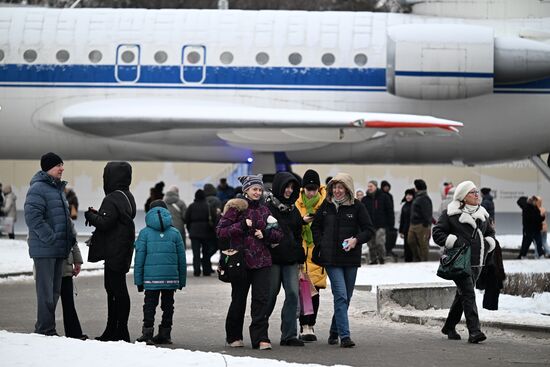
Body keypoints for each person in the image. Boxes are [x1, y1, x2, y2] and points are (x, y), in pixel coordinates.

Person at [216, 174, 283, 350]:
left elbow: (278, 234)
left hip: (262, 261)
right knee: (238, 300)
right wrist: (242, 226)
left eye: (260, 189)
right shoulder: (235, 208)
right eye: (254, 189)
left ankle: (261, 338)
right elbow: (221, 231)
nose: (258, 192)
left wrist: (266, 234)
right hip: (240, 261)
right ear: (246, 190)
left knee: (261, 300)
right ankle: (234, 336)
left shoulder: (265, 210)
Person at [311, 173, 374, 348]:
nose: (337, 191)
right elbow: (316, 226)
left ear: (347, 189)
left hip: (350, 259)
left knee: (347, 297)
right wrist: (321, 243)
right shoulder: (326, 205)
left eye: (341, 187)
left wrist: (356, 240)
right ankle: (345, 336)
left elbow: (369, 230)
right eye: (334, 187)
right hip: (331, 259)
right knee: (340, 295)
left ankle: (334, 330)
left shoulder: (357, 207)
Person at [432, 180, 496, 343]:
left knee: (462, 296)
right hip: (459, 261)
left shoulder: (483, 212)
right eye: (472, 192)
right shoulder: (451, 213)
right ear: (463, 196)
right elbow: (437, 233)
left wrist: (489, 243)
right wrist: (454, 241)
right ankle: (474, 331)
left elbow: (490, 232)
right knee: (468, 294)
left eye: (477, 192)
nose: (477, 195)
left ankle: (449, 327)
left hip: (478, 261)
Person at [85, 161, 136, 342]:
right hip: (123, 250)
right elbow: (114, 219)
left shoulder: (112, 198)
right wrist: (101, 214)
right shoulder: (127, 196)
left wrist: (90, 215)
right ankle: (114, 329)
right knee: (115, 289)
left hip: (114, 251)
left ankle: (119, 330)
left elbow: (105, 223)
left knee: (116, 290)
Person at [24, 152, 75, 336]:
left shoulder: (56, 189)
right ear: (48, 168)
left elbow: (66, 219)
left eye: (62, 165)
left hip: (57, 249)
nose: (62, 168)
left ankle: (48, 329)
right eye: (58, 165)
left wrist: (70, 240)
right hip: (45, 249)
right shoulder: (38, 188)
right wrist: (50, 238)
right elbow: (32, 217)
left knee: (54, 293)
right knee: (46, 294)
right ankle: (44, 329)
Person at [134, 200, 186, 345]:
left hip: (151, 279)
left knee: (149, 305)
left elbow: (139, 258)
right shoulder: (175, 233)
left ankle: (147, 333)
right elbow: (182, 259)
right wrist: (181, 281)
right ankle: (165, 333)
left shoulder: (144, 233)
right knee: (168, 305)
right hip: (170, 278)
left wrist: (139, 281)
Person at [265, 172, 306, 347]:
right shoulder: (267, 207)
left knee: (292, 294)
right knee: (269, 296)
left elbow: (297, 235)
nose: (289, 191)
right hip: (272, 260)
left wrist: (299, 255)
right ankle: (260, 332)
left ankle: (289, 335)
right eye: (286, 187)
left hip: (290, 260)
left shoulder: (293, 209)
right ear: (279, 186)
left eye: (292, 187)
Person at [295, 169, 327, 342]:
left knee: (315, 291)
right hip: (301, 252)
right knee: (303, 290)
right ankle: (304, 325)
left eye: (314, 188)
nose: (311, 191)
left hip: (316, 252)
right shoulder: (296, 203)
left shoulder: (324, 204)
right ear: (303, 188)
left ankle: (311, 324)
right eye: (308, 188)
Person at [185, 189, 218, 276]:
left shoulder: (191, 206)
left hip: (194, 232)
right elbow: (214, 219)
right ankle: (206, 270)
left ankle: (197, 271)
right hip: (206, 232)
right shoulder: (208, 206)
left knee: (196, 253)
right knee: (206, 252)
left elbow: (186, 219)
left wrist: (190, 229)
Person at [361, 180, 393, 264]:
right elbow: (362, 213)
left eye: (371, 186)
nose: (369, 188)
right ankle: (373, 259)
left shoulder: (384, 197)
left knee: (380, 242)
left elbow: (389, 211)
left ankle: (382, 258)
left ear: (375, 186)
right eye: (368, 186)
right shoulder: (365, 199)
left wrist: (390, 224)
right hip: (369, 226)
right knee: (371, 244)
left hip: (381, 225)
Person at [60, 242, 87, 340]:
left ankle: (74, 333)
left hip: (66, 268)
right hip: (48, 268)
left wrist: (77, 261)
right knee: (48, 303)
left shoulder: (68, 226)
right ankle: (47, 330)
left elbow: (73, 241)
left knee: (69, 304)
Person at [407, 179, 433, 262]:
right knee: (411, 241)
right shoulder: (417, 197)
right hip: (413, 224)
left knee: (423, 244)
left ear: (418, 188)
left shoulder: (424, 198)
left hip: (422, 225)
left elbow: (427, 212)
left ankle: (424, 261)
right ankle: (417, 258)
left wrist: (426, 224)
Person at [381, 180, 398, 259]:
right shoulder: (381, 196)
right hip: (383, 220)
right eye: (385, 187)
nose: (387, 188)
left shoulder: (390, 196)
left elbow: (391, 209)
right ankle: (385, 251)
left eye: (388, 187)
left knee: (391, 235)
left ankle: (389, 250)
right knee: (384, 237)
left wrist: (392, 220)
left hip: (389, 219)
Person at [399, 188, 415, 262]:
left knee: (412, 245)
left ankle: (413, 259)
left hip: (413, 228)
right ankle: (407, 260)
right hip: (405, 229)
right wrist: (401, 231)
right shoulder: (404, 206)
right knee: (406, 245)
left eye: (410, 195)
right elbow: (402, 219)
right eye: (407, 195)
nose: (408, 197)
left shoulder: (414, 205)